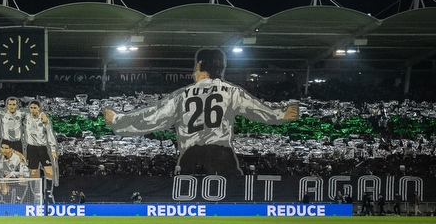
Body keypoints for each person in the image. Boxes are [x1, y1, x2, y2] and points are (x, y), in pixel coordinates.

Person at [104, 49, 299, 176]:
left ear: (200, 66)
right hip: (221, 153)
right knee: (230, 197)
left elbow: (154, 117)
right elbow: (256, 110)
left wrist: (119, 121)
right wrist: (281, 115)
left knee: (185, 197)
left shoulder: (183, 94)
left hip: (191, 154)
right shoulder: (231, 91)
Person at [24, 99, 59, 200]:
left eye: (35, 108)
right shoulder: (26, 117)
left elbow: (50, 135)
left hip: (42, 148)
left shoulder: (44, 120)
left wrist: (53, 149)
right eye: (31, 108)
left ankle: (48, 192)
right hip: (31, 148)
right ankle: (36, 194)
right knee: (34, 172)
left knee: (49, 171)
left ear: (39, 108)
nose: (33, 110)